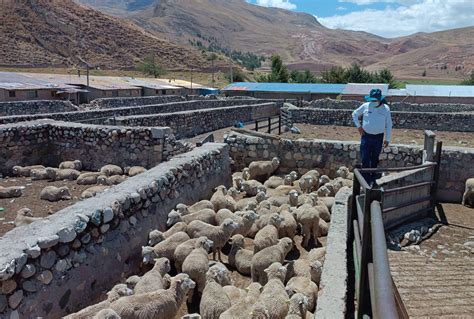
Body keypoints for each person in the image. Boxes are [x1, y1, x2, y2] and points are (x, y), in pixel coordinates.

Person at [352, 88, 393, 186]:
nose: (373, 102)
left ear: (380, 99)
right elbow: (354, 114)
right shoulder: (366, 106)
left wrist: (387, 139)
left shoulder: (386, 109)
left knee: (374, 158)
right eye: (372, 100)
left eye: (375, 100)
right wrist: (359, 127)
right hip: (366, 136)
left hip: (378, 138)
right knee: (365, 158)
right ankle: (366, 180)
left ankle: (373, 180)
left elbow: (389, 124)